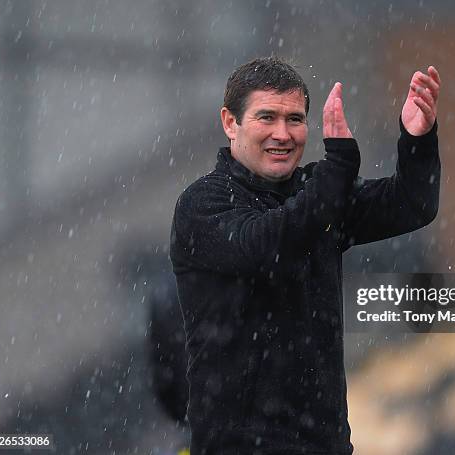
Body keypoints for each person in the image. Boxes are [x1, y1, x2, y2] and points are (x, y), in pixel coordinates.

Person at [169, 56, 441, 454]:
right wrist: (338, 168)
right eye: (267, 117)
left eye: (295, 119)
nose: (283, 133)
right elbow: (266, 247)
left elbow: (412, 204)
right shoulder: (203, 204)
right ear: (230, 122)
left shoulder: (317, 192)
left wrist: (417, 140)